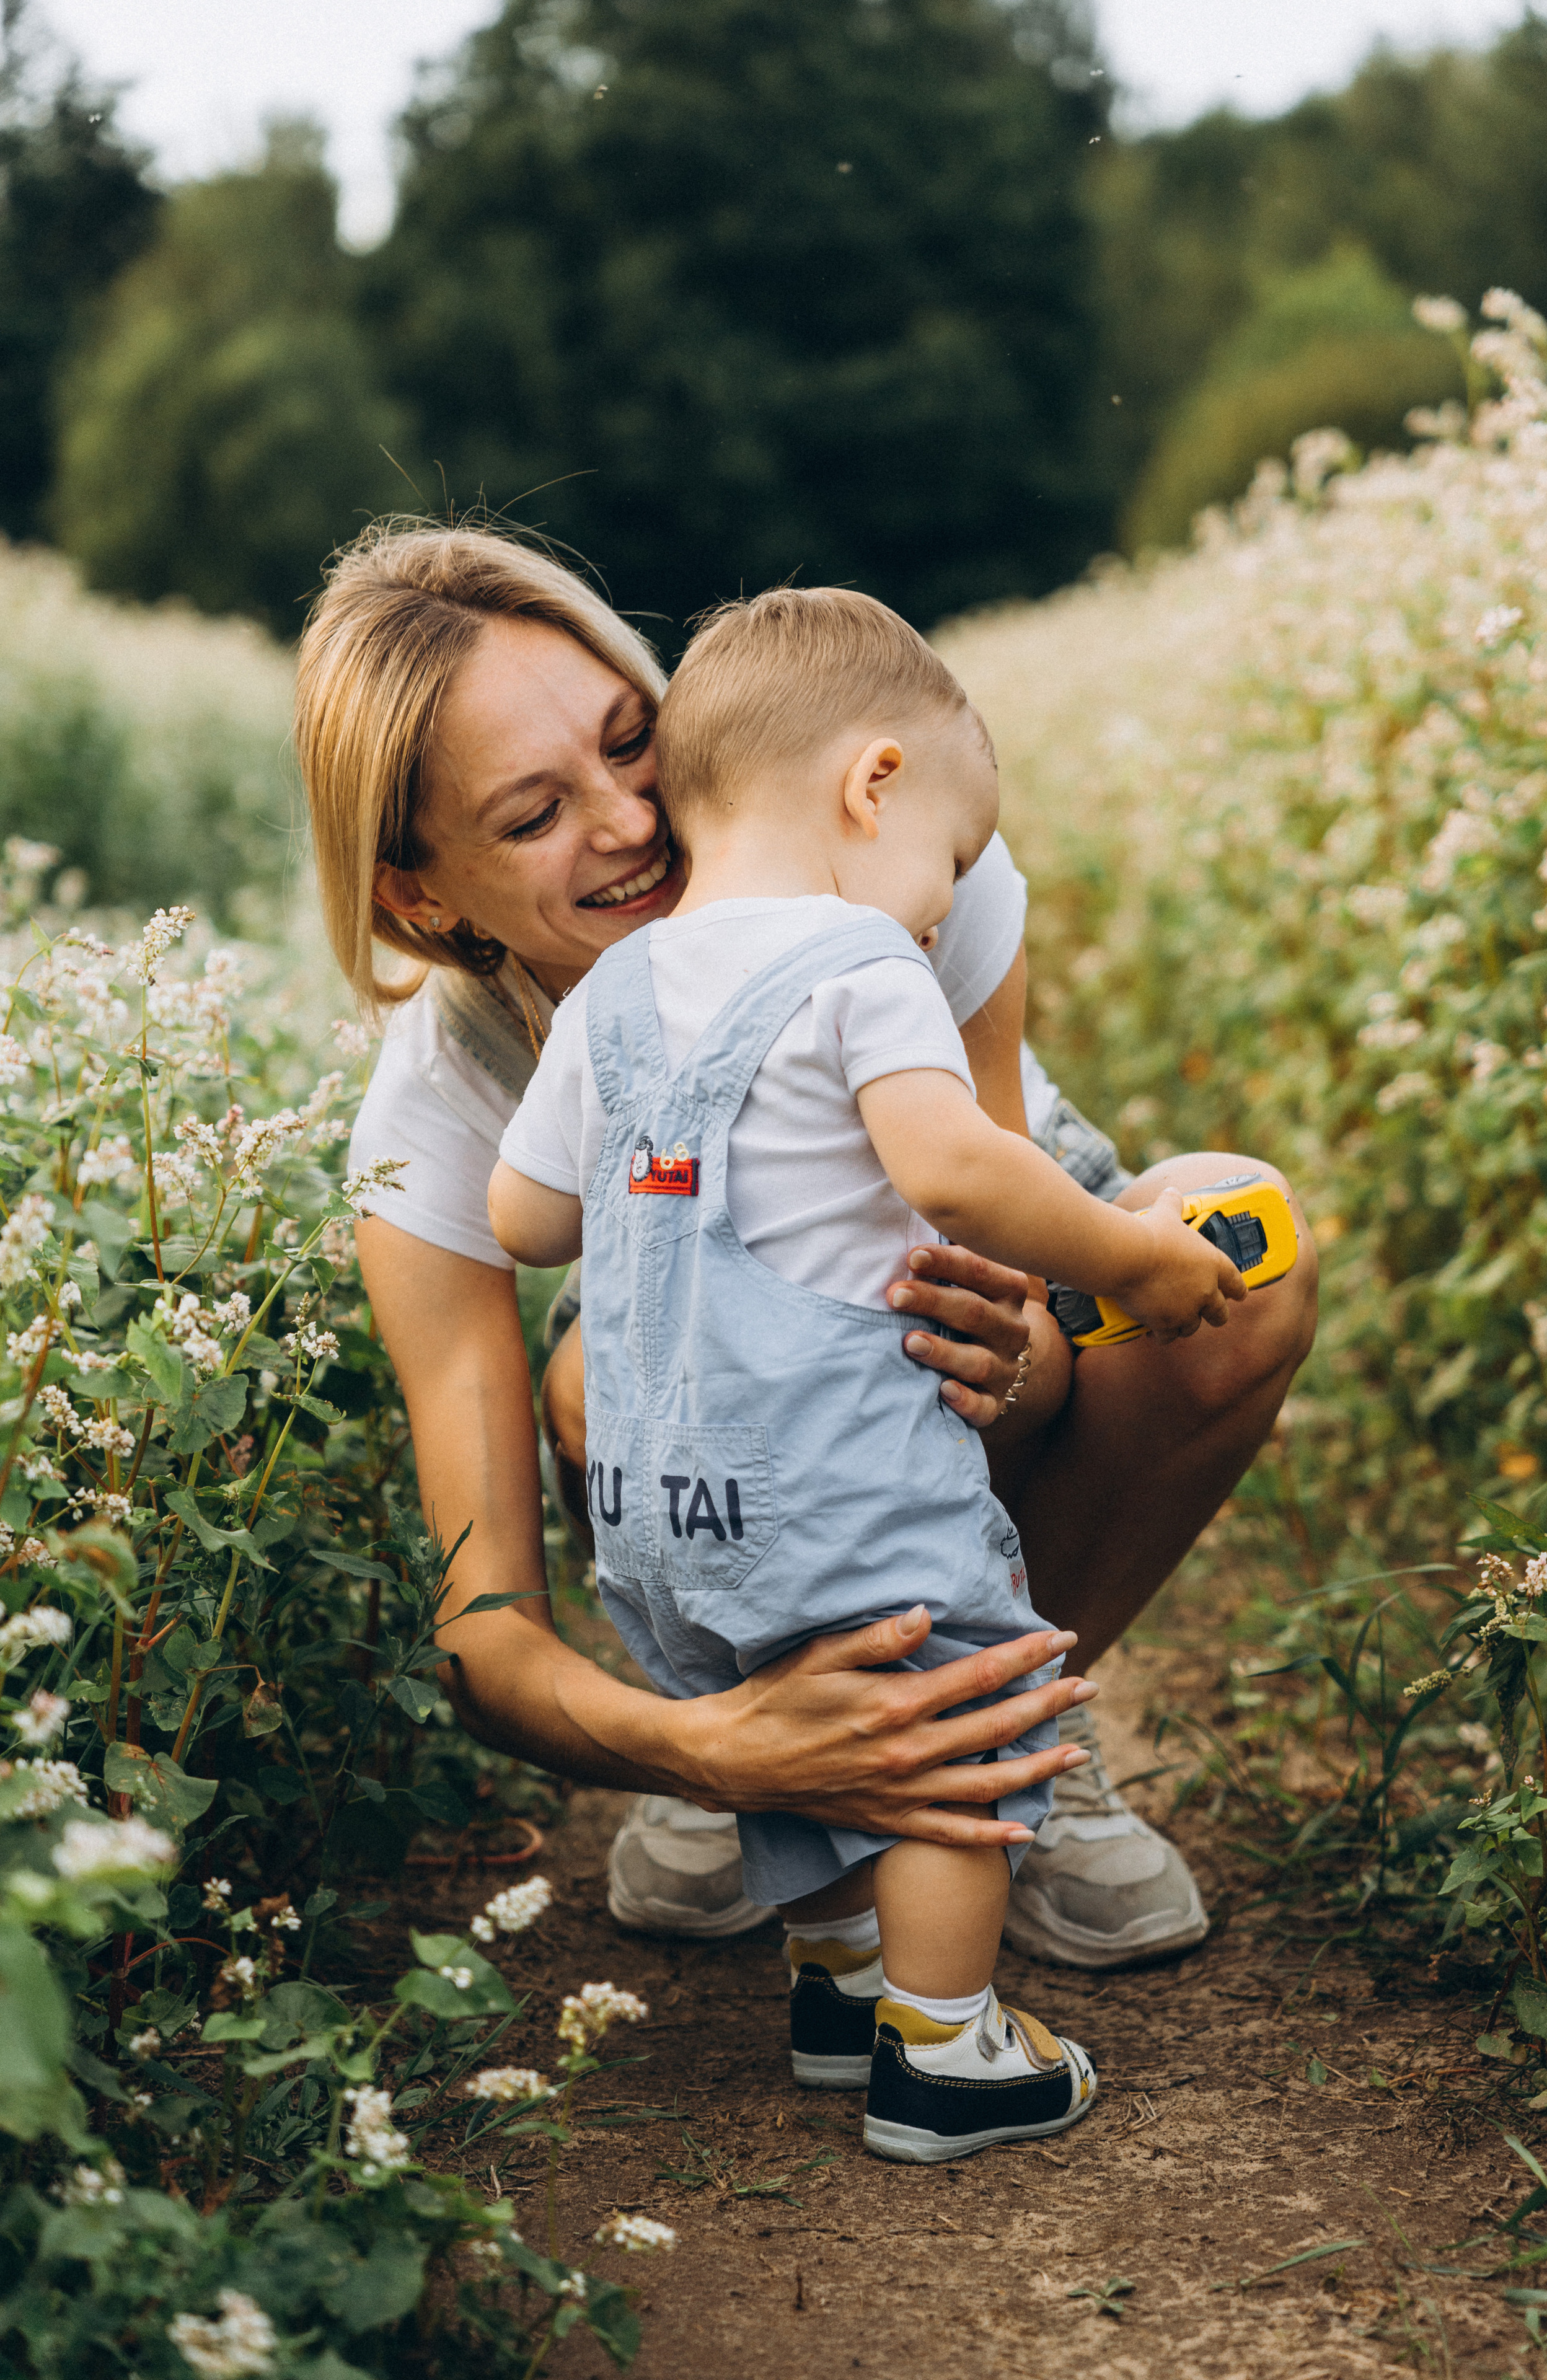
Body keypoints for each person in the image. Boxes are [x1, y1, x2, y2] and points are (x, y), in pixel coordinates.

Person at [296, 519, 1318, 1975]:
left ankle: (1003, 1717)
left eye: (631, 742)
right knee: (594, 1376)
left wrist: (1017, 1343)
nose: (632, 822)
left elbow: (991, 1257)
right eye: (531, 817)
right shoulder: (439, 1107)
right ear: (420, 895)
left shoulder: (895, 853)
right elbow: (487, 1632)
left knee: (1236, 1247)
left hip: (940, 1324)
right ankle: (766, 1715)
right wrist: (710, 1749)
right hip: (737, 1445)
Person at [488, 588, 1253, 2159]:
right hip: (836, 1473)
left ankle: (838, 1993)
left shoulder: (615, 991)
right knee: (955, 1715)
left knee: (799, 1711)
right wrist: (1131, 1261)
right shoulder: (858, 959)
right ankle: (945, 2050)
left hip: (659, 1509)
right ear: (873, 785)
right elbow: (956, 1168)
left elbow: (523, 1218)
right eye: (948, 864)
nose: (939, 906)